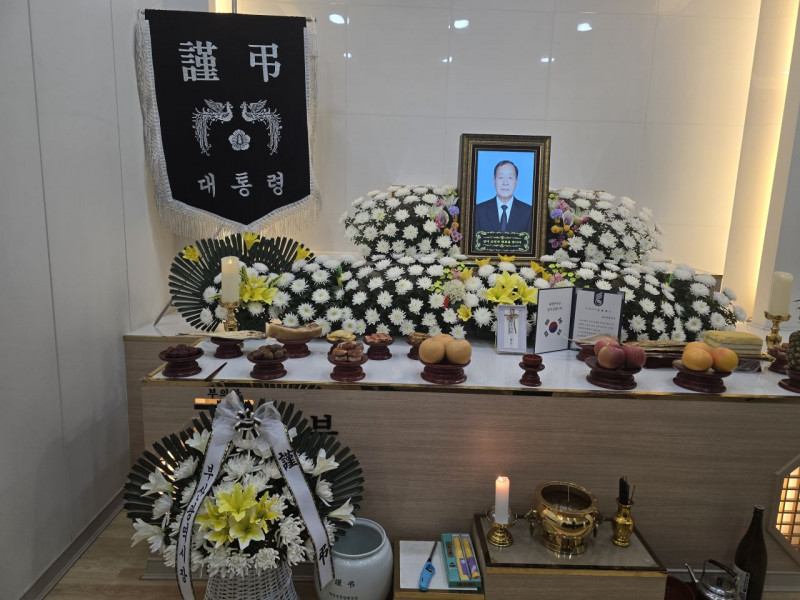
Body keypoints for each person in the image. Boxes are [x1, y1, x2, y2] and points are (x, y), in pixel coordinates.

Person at [473, 160, 532, 235]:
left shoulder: (528, 212)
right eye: (501, 177)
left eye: (510, 178)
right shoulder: (479, 211)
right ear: (494, 181)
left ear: (516, 182)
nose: (505, 183)